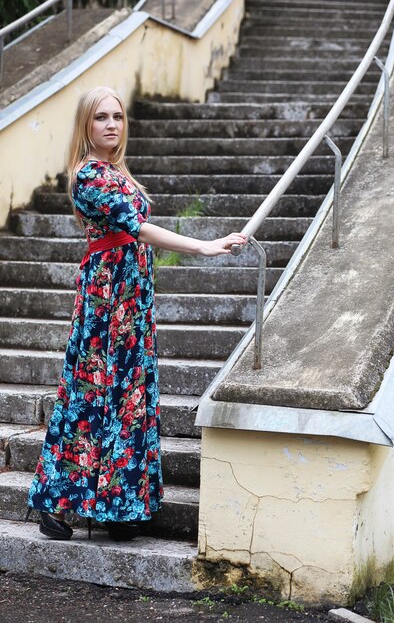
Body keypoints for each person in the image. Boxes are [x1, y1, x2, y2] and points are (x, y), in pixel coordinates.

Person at [25, 86, 247, 542]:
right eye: (101, 117)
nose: (111, 124)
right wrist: (203, 245)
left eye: (118, 117)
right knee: (92, 397)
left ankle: (116, 505)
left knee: (128, 396)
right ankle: (56, 504)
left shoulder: (119, 172)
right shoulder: (89, 176)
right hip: (106, 303)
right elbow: (137, 227)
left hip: (131, 302)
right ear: (86, 125)